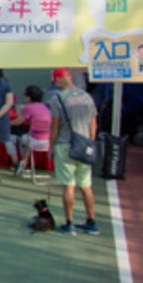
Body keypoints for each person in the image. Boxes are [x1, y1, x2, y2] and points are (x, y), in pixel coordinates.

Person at [46, 68, 100, 235]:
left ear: (62, 79)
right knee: (86, 185)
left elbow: (55, 126)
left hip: (65, 145)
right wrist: (89, 142)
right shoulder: (87, 97)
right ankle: (91, 221)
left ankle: (69, 223)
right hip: (84, 146)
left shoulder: (58, 99)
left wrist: (51, 146)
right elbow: (93, 124)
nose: (55, 84)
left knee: (68, 185)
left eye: (55, 80)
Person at [11, 83, 53, 172]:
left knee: (14, 139)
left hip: (34, 141)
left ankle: (20, 163)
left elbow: (18, 122)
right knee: (26, 139)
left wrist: (6, 123)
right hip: (48, 142)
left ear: (29, 98)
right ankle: (24, 163)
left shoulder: (29, 107)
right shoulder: (45, 107)